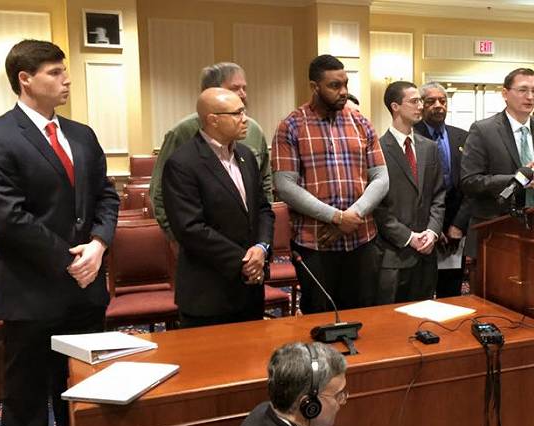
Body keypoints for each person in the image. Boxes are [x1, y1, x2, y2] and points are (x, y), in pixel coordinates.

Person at [0, 39, 119, 426]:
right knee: (25, 409)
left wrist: (99, 244)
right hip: (31, 294)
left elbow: (107, 196)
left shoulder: (81, 134)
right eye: (54, 72)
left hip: (85, 290)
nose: (66, 78)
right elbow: (8, 217)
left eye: (65, 70)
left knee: (83, 400)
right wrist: (70, 259)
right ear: (25, 79)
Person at [272, 54, 388, 313]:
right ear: (315, 87)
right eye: (334, 86)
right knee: (320, 320)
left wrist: (352, 216)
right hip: (315, 244)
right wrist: (336, 218)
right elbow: (285, 186)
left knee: (364, 316)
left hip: (362, 240)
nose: (343, 92)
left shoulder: (360, 122)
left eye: (345, 84)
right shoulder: (291, 126)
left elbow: (381, 178)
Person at [162, 88, 274, 327]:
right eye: (237, 113)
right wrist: (245, 260)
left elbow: (263, 209)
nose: (245, 119)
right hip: (209, 293)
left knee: (254, 359)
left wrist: (261, 248)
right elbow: (190, 228)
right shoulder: (182, 163)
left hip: (251, 288)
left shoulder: (245, 155)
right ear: (213, 119)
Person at [150, 62, 272, 237]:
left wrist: (263, 238)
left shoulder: (253, 130)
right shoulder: (182, 132)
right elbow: (159, 190)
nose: (243, 94)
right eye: (235, 88)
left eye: (244, 88)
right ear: (211, 92)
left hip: (250, 242)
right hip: (201, 243)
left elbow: (265, 184)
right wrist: (173, 236)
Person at [460, 67, 534, 257]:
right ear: (505, 93)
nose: (530, 96)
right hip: (496, 228)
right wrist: (517, 180)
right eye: (523, 90)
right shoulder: (483, 130)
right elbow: (470, 181)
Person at [374, 81, 445, 304]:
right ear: (395, 106)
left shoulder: (429, 147)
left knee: (423, 319)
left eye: (420, 101)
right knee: (391, 325)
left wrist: (432, 232)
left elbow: (438, 195)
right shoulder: (377, 149)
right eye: (414, 101)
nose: (421, 106)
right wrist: (408, 237)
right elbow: (377, 206)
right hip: (393, 254)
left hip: (426, 252)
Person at [413, 82, 470, 298]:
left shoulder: (463, 137)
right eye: (431, 101)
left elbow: (469, 186)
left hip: (457, 229)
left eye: (443, 101)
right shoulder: (411, 137)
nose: (438, 106)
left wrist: (457, 225)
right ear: (421, 105)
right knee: (421, 296)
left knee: (451, 294)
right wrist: (434, 229)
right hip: (423, 230)